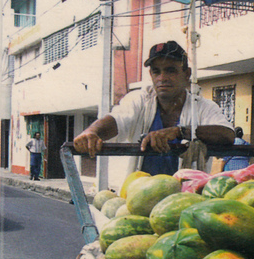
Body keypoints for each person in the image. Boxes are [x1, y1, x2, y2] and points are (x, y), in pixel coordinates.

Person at [73, 41, 235, 176]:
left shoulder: (202, 107)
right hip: (138, 198)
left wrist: (179, 132)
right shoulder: (139, 100)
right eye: (156, 72)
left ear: (187, 74)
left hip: (187, 200)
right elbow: (117, 119)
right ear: (151, 75)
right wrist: (92, 132)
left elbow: (227, 134)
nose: (162, 78)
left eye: (170, 70)